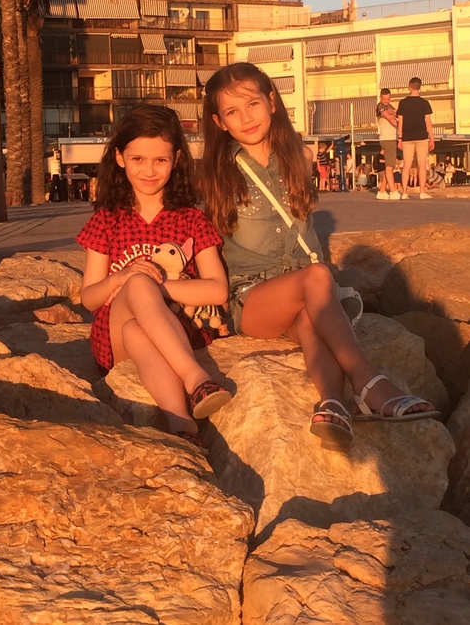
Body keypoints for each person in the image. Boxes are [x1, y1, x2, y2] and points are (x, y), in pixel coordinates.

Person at [200, 62, 438, 451]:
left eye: (253, 104)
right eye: (232, 111)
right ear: (219, 121)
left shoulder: (300, 156)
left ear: (271, 102)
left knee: (311, 321)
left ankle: (333, 403)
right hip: (252, 298)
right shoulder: (215, 174)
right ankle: (369, 381)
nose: (246, 117)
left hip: (307, 293)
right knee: (316, 276)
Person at [77, 104, 232, 453]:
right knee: (135, 287)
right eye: (138, 159)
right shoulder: (107, 220)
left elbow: (218, 290)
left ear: (176, 159)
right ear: (120, 158)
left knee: (139, 327)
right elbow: (89, 299)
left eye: (160, 160)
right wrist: (124, 278)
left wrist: (156, 288)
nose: (149, 170)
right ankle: (196, 378)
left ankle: (183, 426)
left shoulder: (191, 219)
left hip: (176, 331)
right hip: (114, 337)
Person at [397, 77, 434, 200]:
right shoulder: (424, 103)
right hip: (422, 136)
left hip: (407, 137)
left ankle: (404, 193)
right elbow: (428, 122)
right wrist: (432, 138)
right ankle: (422, 192)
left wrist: (400, 138)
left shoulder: (403, 103)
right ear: (420, 87)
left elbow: (400, 122)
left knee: (406, 165)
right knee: (422, 165)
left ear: (409, 87)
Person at [375, 88, 401, 200]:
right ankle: (393, 191)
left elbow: (397, 113)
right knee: (390, 166)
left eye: (388, 99)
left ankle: (381, 191)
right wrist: (400, 125)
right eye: (384, 99)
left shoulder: (390, 106)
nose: (386, 101)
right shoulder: (380, 107)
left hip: (392, 138)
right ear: (381, 97)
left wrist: (395, 113)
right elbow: (390, 118)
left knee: (389, 166)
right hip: (387, 138)